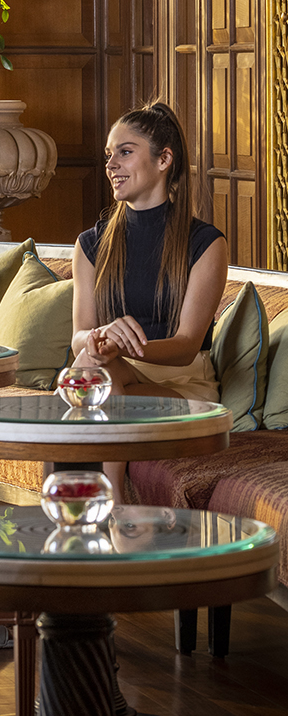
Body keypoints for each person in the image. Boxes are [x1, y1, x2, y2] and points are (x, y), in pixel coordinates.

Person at [70, 99, 228, 499]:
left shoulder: (205, 244)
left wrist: (122, 347)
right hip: (113, 375)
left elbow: (186, 347)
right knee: (91, 367)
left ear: (164, 159)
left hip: (183, 384)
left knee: (88, 381)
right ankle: (113, 504)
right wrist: (101, 338)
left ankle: (92, 511)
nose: (111, 165)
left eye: (125, 152)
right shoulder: (90, 244)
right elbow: (79, 336)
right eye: (109, 155)